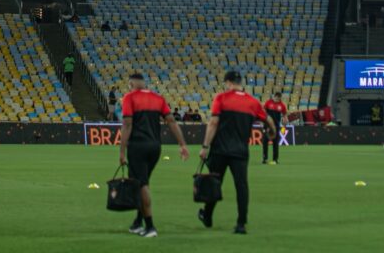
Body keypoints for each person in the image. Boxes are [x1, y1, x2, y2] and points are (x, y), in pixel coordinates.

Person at [198, 70, 276, 235]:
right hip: (240, 151)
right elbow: (268, 119)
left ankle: (208, 216)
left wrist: (205, 146)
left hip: (219, 150)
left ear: (228, 82)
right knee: (241, 186)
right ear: (240, 83)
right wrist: (273, 132)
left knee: (214, 183)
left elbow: (213, 123)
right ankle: (241, 223)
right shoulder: (252, 102)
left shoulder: (221, 98)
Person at [119, 71, 189, 238]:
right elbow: (171, 121)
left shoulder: (129, 98)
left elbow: (127, 125)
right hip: (155, 148)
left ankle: (150, 226)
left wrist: (122, 152)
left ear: (131, 84)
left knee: (142, 185)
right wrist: (182, 144)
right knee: (141, 183)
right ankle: (138, 222)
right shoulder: (158, 99)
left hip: (138, 147)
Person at [262, 92, 287, 164]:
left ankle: (275, 159)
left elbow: (285, 116)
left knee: (275, 143)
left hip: (276, 126)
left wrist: (284, 127)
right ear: (274, 96)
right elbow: (263, 112)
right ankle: (264, 159)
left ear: (280, 98)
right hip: (267, 125)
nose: (277, 99)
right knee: (265, 142)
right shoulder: (268, 103)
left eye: (278, 98)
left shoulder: (282, 105)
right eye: (276, 98)